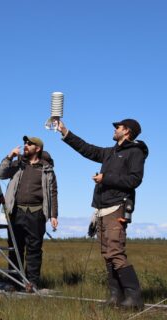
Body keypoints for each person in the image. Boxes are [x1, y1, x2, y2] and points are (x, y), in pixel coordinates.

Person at [56, 119, 148, 310]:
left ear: (127, 131)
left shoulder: (135, 152)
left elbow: (134, 180)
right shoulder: (110, 152)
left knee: (115, 251)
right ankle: (116, 296)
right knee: (107, 254)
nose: (115, 129)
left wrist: (106, 178)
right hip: (102, 208)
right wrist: (65, 132)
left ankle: (134, 298)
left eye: (118, 127)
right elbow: (87, 149)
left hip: (117, 208)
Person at [0, 136, 58, 291]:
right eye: (25, 143)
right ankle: (14, 282)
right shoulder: (18, 164)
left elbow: (53, 192)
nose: (26, 145)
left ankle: (31, 283)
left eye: (29, 144)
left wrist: (53, 215)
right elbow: (0, 174)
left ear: (37, 148)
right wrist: (10, 156)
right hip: (16, 212)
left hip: (37, 213)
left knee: (34, 249)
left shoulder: (47, 169)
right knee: (15, 249)